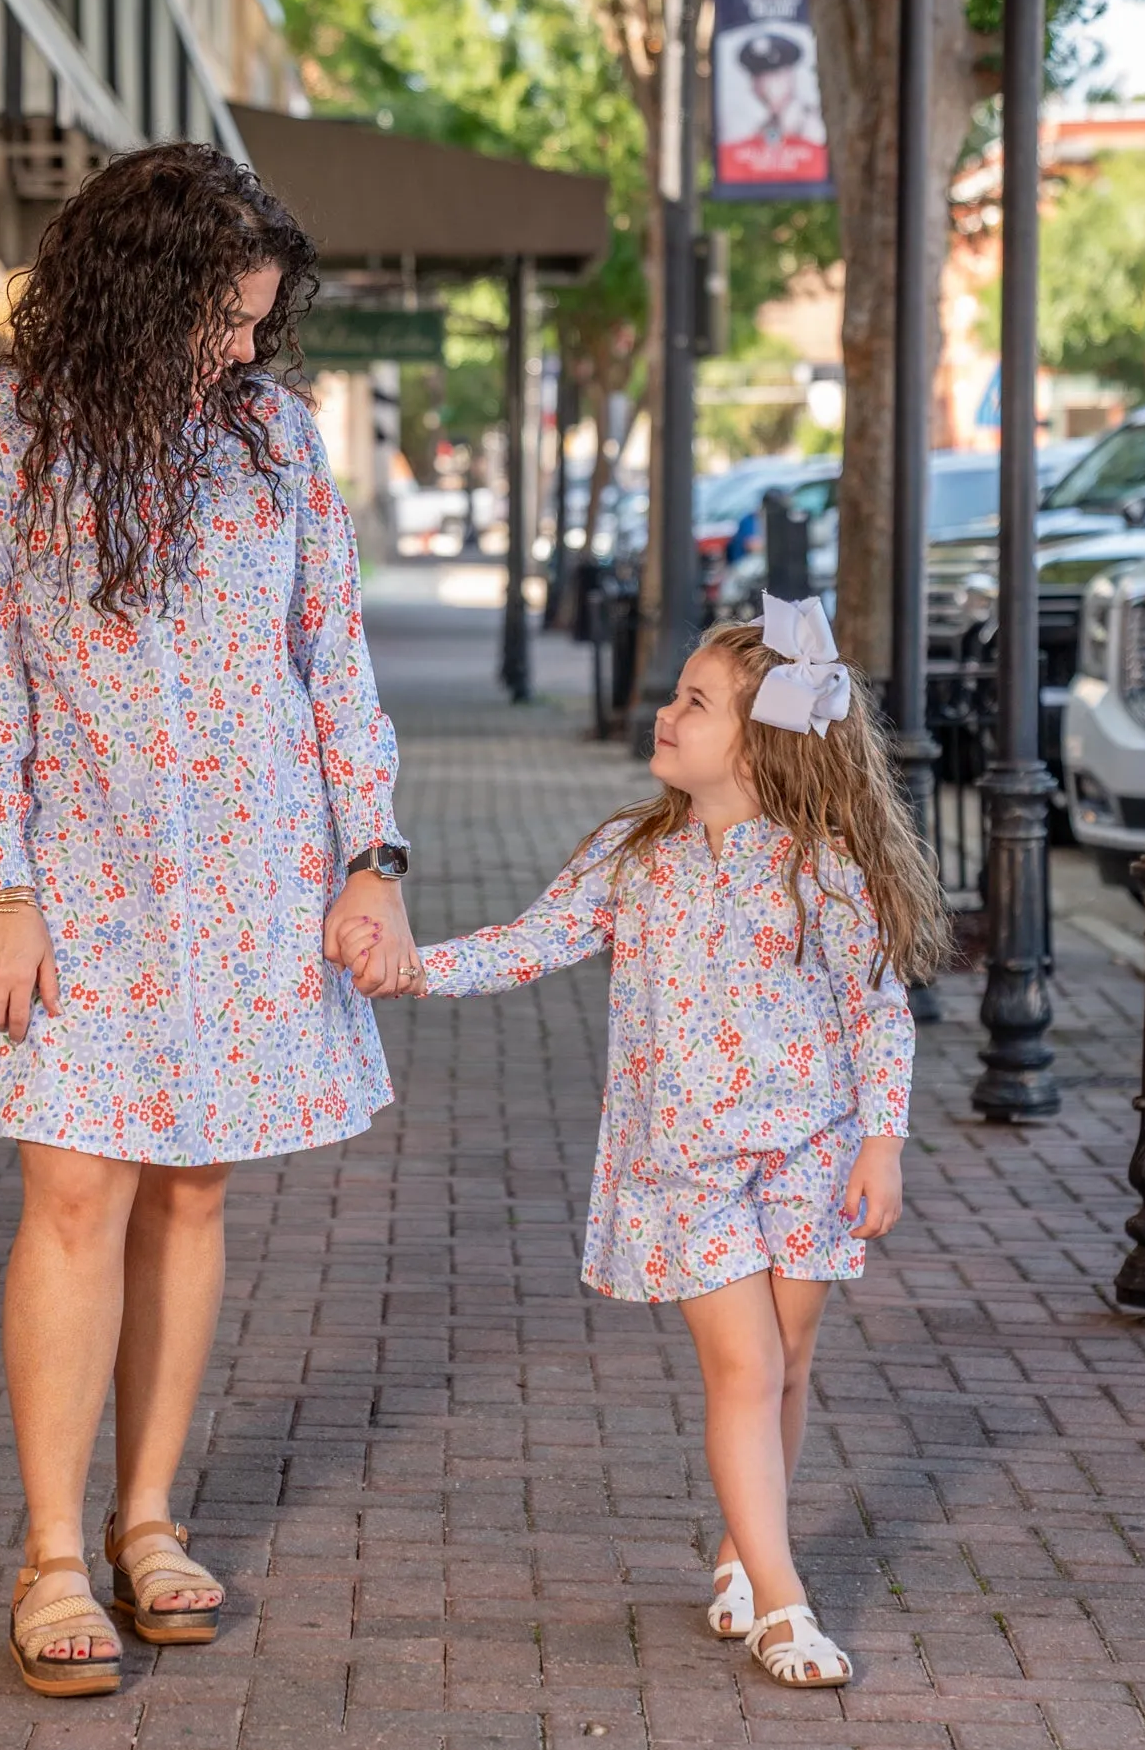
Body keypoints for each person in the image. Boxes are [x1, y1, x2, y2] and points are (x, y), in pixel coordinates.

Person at [0, 143, 420, 1698]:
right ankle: (50, 1551)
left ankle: (146, 1519)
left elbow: (332, 656)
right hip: (74, 878)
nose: (246, 350)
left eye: (260, 321)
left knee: (188, 1193)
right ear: (138, 299)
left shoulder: (269, 438)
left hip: (256, 872)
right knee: (74, 1191)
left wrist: (369, 854)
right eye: (222, 321)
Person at [342, 596, 948, 1689]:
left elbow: (875, 1012)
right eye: (674, 694)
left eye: (693, 702)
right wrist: (413, 964)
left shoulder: (825, 867)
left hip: (810, 1154)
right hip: (685, 1162)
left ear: (760, 744)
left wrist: (880, 1142)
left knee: (788, 1365)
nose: (665, 712)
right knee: (743, 1365)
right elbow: (532, 941)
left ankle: (737, 1549)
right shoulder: (634, 856)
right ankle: (781, 1600)